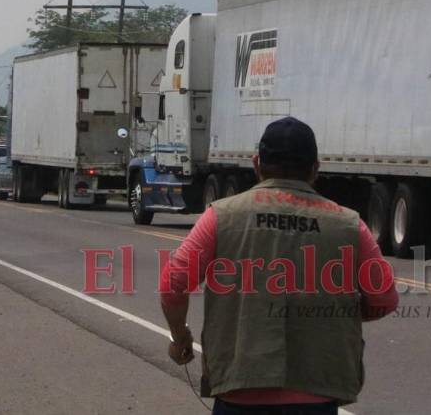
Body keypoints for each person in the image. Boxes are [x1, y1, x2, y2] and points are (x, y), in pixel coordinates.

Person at [160, 117, 398, 415]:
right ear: (315, 169)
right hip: (316, 393)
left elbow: (173, 285)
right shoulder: (350, 225)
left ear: (257, 163)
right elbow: (385, 299)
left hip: (240, 390)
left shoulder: (221, 217)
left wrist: (180, 337)